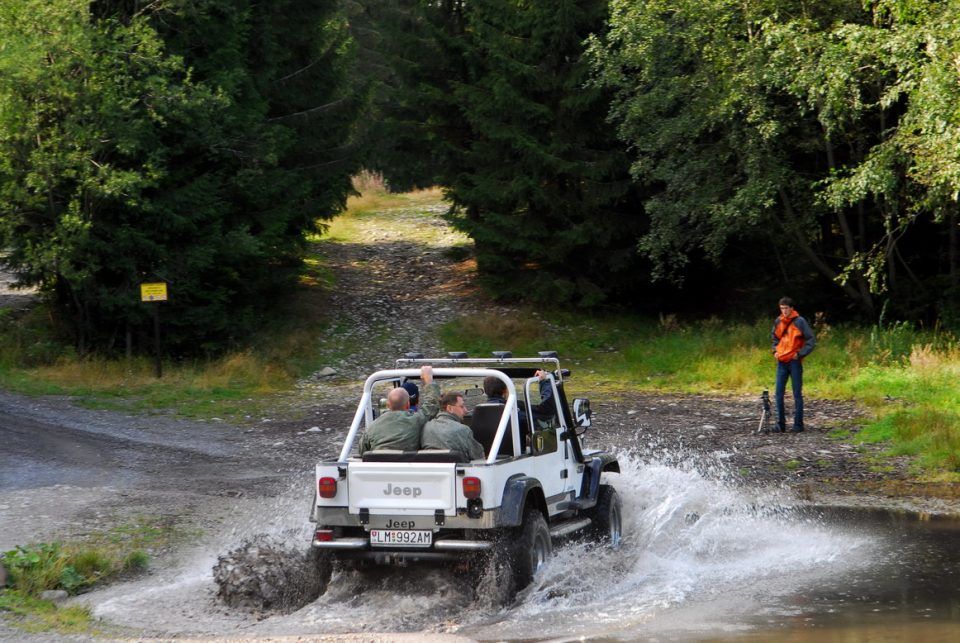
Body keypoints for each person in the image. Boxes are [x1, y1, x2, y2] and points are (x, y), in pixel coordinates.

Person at [359, 366, 439, 453]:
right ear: (408, 405)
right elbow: (432, 405)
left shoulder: (372, 427)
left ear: (388, 405)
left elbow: (362, 451)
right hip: (408, 465)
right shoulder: (416, 420)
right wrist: (428, 381)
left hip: (380, 465)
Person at [770, 297, 816, 433]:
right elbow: (774, 338)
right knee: (778, 393)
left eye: (786, 308)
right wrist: (774, 351)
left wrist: (800, 354)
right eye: (781, 308)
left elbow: (811, 340)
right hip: (781, 361)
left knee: (797, 394)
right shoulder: (778, 321)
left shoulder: (800, 321)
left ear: (791, 308)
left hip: (795, 361)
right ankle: (780, 425)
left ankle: (798, 425)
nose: (784, 311)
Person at [482, 369, 556, 433]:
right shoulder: (514, 409)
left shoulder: (480, 412)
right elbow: (546, 412)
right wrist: (544, 382)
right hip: (514, 449)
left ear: (485, 391)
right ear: (505, 390)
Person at [421, 391, 486, 461]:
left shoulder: (426, 427)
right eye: (462, 406)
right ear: (449, 408)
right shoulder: (463, 430)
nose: (466, 410)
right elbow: (480, 458)